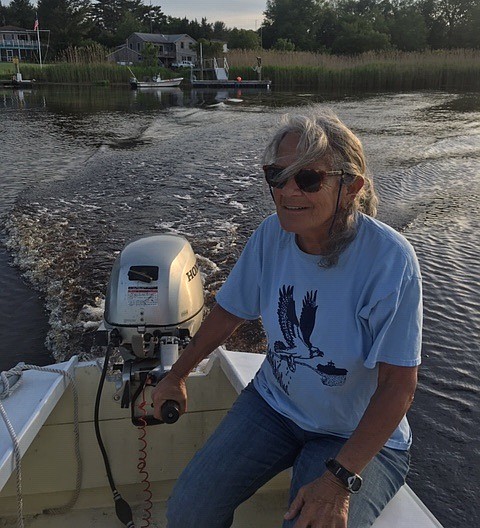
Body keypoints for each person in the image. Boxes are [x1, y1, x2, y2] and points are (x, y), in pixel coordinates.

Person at [152, 109, 422, 528]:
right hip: (275, 406)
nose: (286, 191)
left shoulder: (390, 260)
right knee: (189, 510)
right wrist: (177, 375)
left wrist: (336, 481)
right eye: (276, 176)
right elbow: (228, 314)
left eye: (308, 178)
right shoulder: (270, 236)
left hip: (351, 432)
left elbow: (398, 385)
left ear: (350, 188)